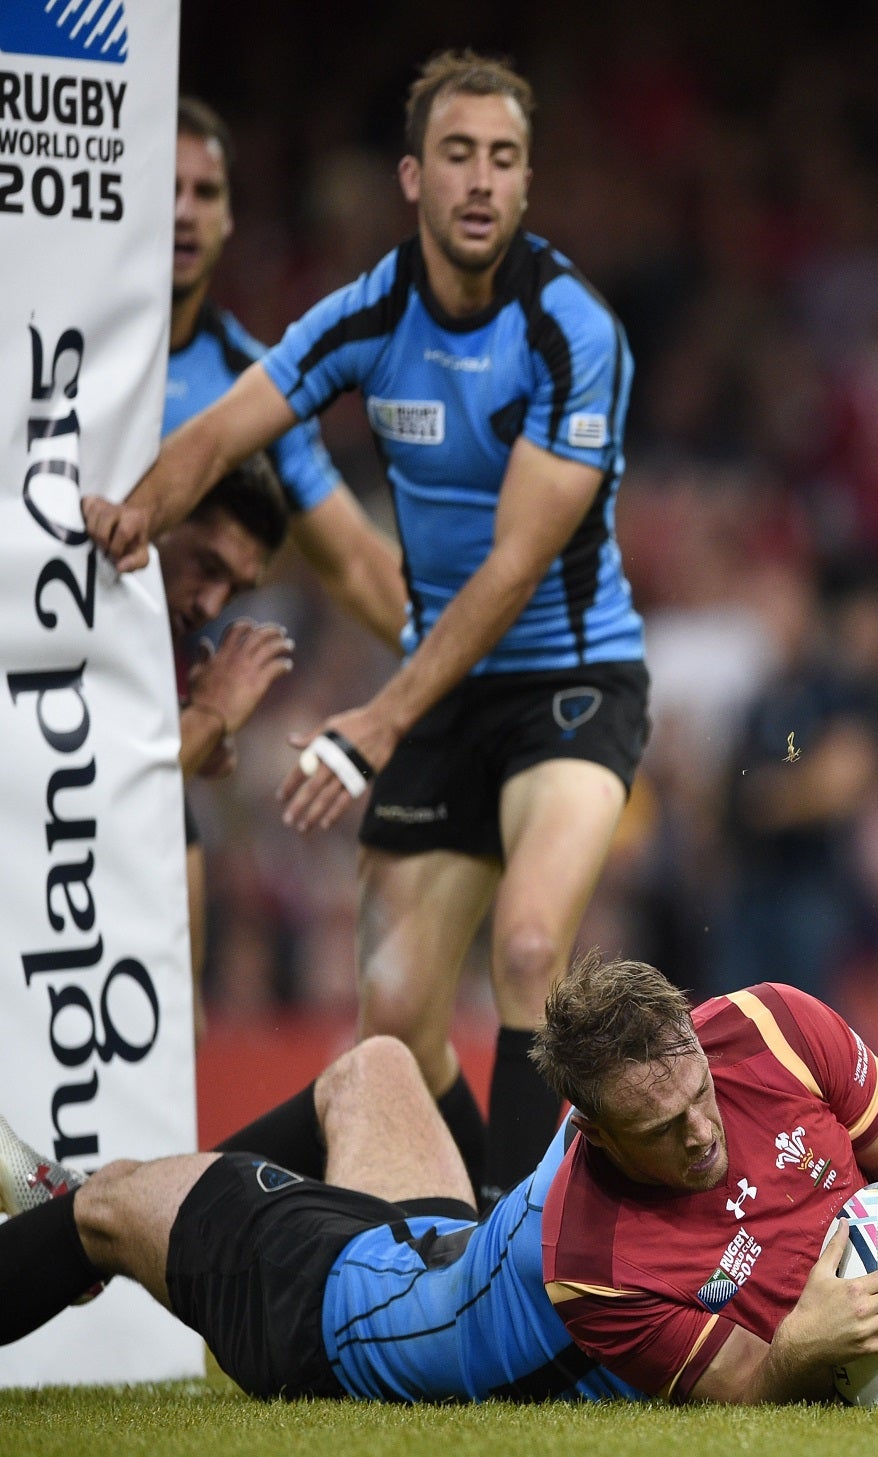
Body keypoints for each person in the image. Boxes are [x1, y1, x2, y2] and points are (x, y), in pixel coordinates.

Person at [0, 900, 878, 1404]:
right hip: (346, 1309)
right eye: (659, 1131)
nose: (694, 1132)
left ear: (695, 1030)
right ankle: (94, 1202)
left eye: (697, 1097)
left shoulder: (766, 1029)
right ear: (587, 1135)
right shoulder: (593, 1251)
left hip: (463, 1248)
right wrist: (811, 1337)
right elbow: (750, 1387)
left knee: (378, 1067)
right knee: (113, 1209)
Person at [86, 53, 649, 1210]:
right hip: (443, 696)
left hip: (572, 680)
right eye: (456, 156)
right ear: (412, 176)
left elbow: (511, 565)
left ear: (526, 183)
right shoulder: (369, 314)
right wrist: (136, 510)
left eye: (502, 159)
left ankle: (526, 1267)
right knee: (391, 1031)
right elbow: (225, 430)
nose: (480, 181)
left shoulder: (571, 329)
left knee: (532, 952)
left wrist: (379, 719)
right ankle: (473, 1230)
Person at [167, 97, 408, 652]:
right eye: (166, 190)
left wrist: (502, 676)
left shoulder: (256, 388)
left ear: (228, 217)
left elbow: (357, 567)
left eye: (205, 193)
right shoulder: (49, 349)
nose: (184, 211)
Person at [160, 457, 299, 1019]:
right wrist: (208, 718)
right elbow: (103, 802)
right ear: (162, 514)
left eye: (234, 589)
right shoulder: (67, 613)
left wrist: (192, 728)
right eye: (206, 564)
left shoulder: (161, 648)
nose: (210, 606)